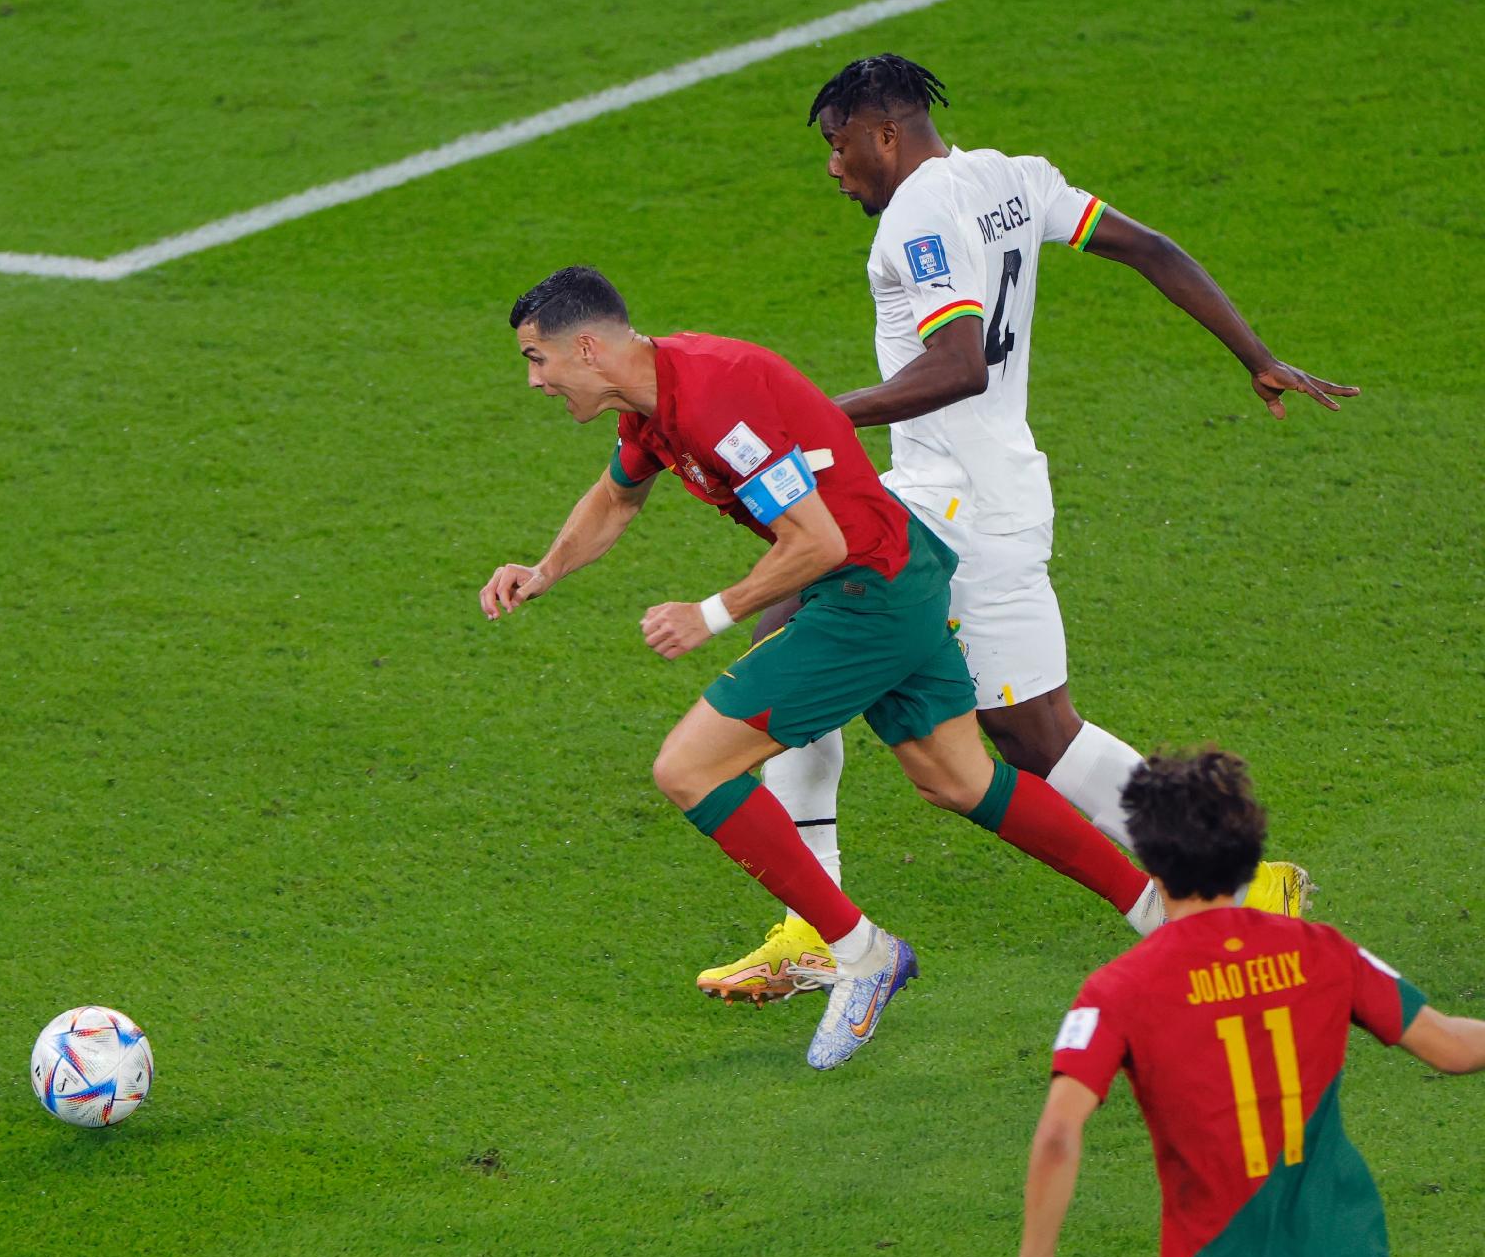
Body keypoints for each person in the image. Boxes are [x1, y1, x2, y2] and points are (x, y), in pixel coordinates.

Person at [696, 54, 1350, 1003]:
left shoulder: (916, 219)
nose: (835, 170)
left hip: (947, 507)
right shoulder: (1014, 177)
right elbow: (1153, 248)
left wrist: (819, 422)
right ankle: (1251, 886)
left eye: (840, 148)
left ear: (885, 132)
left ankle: (816, 928)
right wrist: (1256, 354)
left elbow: (958, 363)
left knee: (794, 642)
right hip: (997, 495)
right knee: (1036, 734)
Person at [481, 266, 1171, 1070]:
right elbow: (616, 497)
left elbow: (818, 542)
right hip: (896, 573)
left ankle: (860, 953)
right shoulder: (653, 399)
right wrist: (543, 571)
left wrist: (707, 614)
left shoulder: (712, 402)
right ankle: (1160, 913)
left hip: (864, 592)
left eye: (538, 359)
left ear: (588, 348)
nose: (535, 380)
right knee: (959, 779)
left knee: (688, 768)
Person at [1019, 748, 1485, 1257]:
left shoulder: (1118, 989)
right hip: (1342, 1247)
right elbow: (1452, 1048)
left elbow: (1060, 1132)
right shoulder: (1324, 951)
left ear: (1150, 859)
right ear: (1248, 854)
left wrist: (1036, 1255)